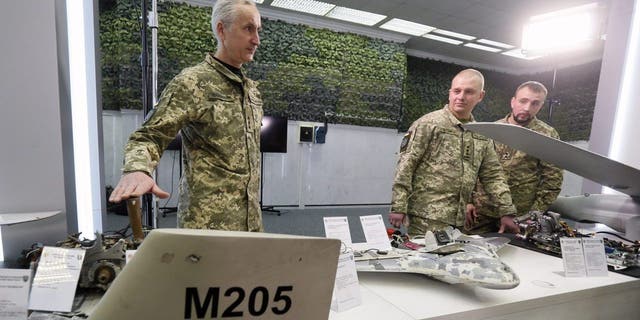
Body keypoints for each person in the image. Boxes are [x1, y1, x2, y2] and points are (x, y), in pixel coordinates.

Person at [109, 0, 264, 231]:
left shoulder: (250, 89)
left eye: (258, 31)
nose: (256, 40)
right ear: (222, 30)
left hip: (250, 222)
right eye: (248, 28)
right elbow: (149, 135)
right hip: (208, 225)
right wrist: (137, 169)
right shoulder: (193, 82)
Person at [389, 69, 519, 236]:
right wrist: (398, 206)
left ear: (480, 96)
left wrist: (506, 211)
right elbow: (406, 165)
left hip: (459, 221)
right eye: (457, 91)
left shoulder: (481, 134)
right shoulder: (428, 124)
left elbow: (493, 175)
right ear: (450, 93)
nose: (461, 97)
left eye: (469, 92)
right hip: (426, 217)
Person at [466, 81, 563, 233]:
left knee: (514, 255)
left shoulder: (547, 135)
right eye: (523, 101)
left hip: (519, 217)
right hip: (482, 211)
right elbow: (472, 168)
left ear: (541, 106)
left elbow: (552, 181)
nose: (527, 108)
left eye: (535, 103)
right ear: (513, 101)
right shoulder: (492, 130)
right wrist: (468, 201)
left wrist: (533, 214)